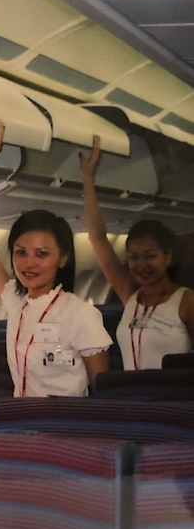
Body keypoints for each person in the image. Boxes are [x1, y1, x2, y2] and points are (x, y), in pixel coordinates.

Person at [0, 121, 111, 397]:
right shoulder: (16, 301)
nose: (29, 263)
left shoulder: (80, 315)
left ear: (63, 258)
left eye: (42, 254)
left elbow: (103, 394)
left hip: (66, 425)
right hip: (23, 422)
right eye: (21, 252)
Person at [81, 136, 194, 370]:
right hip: (133, 401)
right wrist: (87, 178)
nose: (142, 264)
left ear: (167, 256)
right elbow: (97, 237)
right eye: (134, 257)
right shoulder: (130, 294)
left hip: (173, 403)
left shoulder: (186, 302)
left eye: (150, 255)